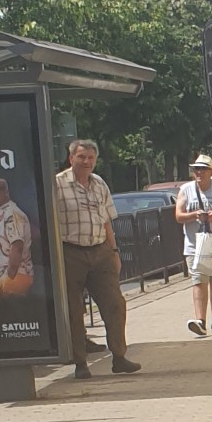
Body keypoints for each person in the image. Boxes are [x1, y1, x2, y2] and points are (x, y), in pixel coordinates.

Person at [53, 138, 139, 379]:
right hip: (70, 251)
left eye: (91, 158)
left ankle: (119, 357)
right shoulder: (57, 184)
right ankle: (80, 363)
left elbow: (107, 221)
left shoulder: (99, 183)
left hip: (100, 250)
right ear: (71, 159)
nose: (86, 162)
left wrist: (114, 252)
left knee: (115, 303)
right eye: (81, 157)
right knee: (73, 309)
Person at [175, 155, 212, 336]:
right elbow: (178, 215)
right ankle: (200, 321)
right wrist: (195, 215)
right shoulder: (186, 190)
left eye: (203, 168)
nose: (199, 172)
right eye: (196, 169)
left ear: (211, 172)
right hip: (195, 245)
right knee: (199, 281)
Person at [0, 176, 33, 298]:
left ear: (6, 192)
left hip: (16, 275)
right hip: (1, 277)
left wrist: (9, 276)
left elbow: (17, 246)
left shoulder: (12, 213)